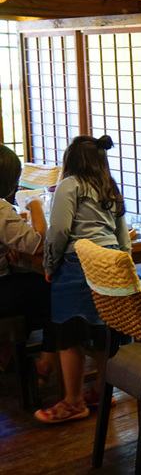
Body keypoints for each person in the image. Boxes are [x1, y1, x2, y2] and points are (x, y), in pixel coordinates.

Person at [34, 135, 131, 424]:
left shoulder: (69, 185)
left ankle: (73, 401)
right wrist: (123, 266)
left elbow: (60, 231)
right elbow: (123, 236)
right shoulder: (109, 187)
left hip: (79, 262)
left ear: (71, 160)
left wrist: (50, 264)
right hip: (111, 261)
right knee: (104, 332)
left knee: (69, 333)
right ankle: (103, 393)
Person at [0, 144, 55, 379]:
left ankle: (7, 353)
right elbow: (39, 242)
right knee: (55, 288)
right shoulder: (1, 209)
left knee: (34, 288)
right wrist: (35, 204)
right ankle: (46, 359)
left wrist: (7, 248)